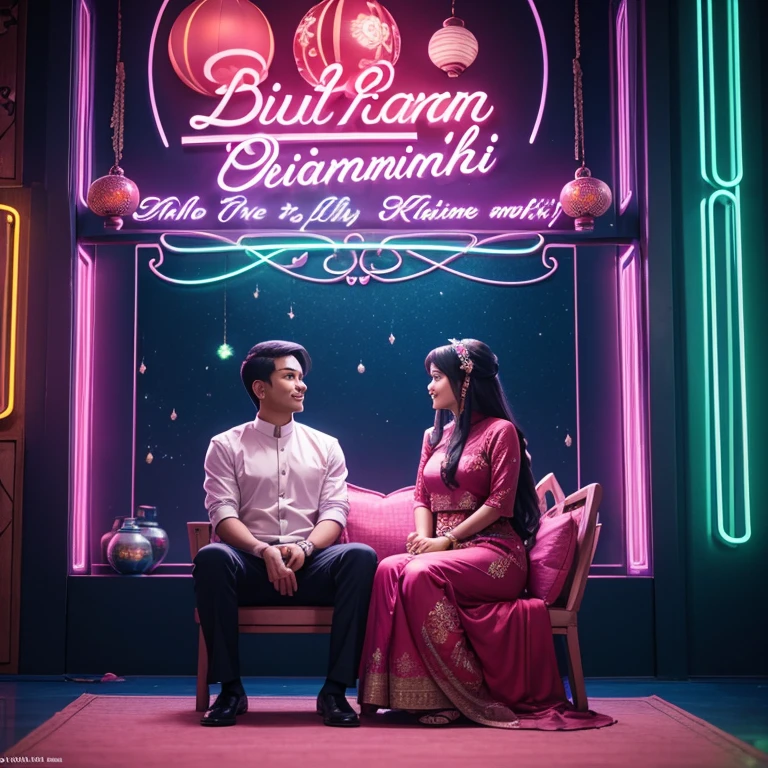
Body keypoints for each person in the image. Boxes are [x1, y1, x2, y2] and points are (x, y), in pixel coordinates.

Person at [358, 339, 615, 730]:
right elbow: (422, 497)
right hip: (446, 550)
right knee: (389, 568)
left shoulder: (501, 432)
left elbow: (498, 504)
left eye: (436, 377)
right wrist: (424, 542)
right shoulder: (434, 438)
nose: (429, 386)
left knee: (419, 573)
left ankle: (460, 695)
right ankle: (406, 695)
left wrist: (442, 544)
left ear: (464, 382)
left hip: (495, 553)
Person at [194, 340, 378, 728]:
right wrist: (264, 551)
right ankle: (230, 690)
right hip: (250, 566)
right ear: (261, 388)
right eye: (289, 376)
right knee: (212, 557)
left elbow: (335, 512)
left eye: (301, 377)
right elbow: (222, 516)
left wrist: (307, 547)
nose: (301, 385)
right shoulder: (225, 445)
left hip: (309, 564)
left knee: (360, 555)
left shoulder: (326, 446)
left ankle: (335, 691)